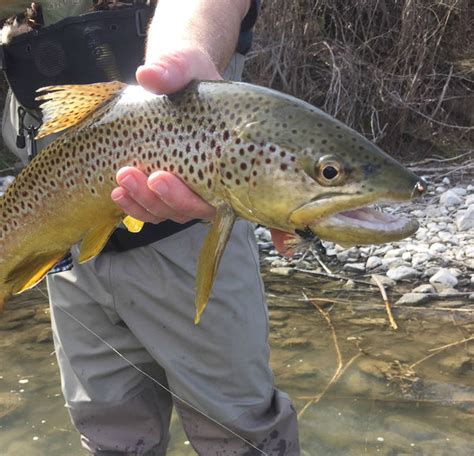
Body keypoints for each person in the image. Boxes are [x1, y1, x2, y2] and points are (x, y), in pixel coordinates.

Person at [1, 1, 300, 455]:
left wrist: (179, 56)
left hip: (190, 227)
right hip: (61, 228)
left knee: (242, 438)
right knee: (110, 440)